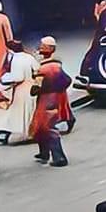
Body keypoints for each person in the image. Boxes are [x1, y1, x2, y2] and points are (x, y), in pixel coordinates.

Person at [31, 36, 72, 167]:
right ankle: (44, 153)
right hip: (55, 98)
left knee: (45, 127)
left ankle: (58, 157)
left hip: (45, 100)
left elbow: (35, 88)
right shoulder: (57, 65)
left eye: (42, 45)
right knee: (42, 127)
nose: (40, 47)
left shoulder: (42, 69)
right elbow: (67, 80)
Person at [0, 38, 38, 145]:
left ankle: (24, 132)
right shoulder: (28, 57)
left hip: (21, 88)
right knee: (30, 110)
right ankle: (31, 131)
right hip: (31, 86)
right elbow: (37, 69)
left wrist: (4, 79)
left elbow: (18, 77)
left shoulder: (15, 60)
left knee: (19, 112)